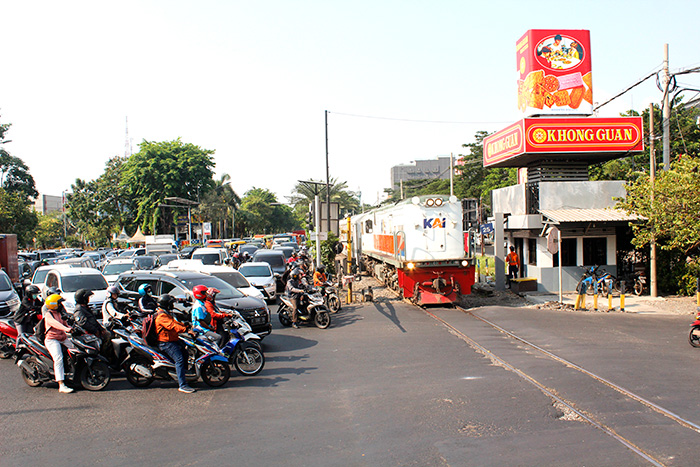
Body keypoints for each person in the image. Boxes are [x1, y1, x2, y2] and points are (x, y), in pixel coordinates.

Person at [154, 294, 196, 394]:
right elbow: (172, 326)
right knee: (179, 359)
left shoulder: (166, 313)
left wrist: (186, 325)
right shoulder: (162, 316)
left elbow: (175, 323)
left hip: (173, 339)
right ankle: (182, 385)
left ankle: (185, 375)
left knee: (186, 352)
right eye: (171, 303)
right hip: (166, 343)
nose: (173, 305)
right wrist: (186, 329)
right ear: (167, 305)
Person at [43, 293, 75, 394]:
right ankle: (61, 384)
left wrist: (71, 328)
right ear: (54, 305)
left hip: (63, 337)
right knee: (58, 359)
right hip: (52, 340)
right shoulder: (48, 315)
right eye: (59, 303)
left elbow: (65, 324)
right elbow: (56, 324)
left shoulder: (60, 313)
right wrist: (66, 329)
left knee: (75, 350)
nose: (62, 305)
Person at [73, 289, 114, 362]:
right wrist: (95, 331)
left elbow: (94, 321)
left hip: (94, 330)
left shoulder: (86, 307)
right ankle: (103, 357)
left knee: (109, 335)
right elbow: (83, 323)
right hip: (87, 333)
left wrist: (101, 329)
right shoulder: (79, 309)